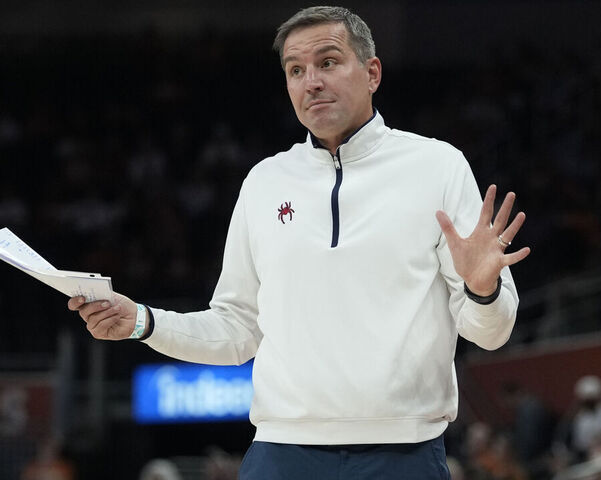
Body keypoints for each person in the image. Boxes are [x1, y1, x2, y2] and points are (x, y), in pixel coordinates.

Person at [68, 6, 530, 479]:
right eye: (296, 70)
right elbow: (237, 329)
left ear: (372, 73)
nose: (311, 81)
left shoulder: (438, 167)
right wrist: (142, 321)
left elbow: (490, 333)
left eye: (328, 62)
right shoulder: (264, 182)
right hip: (281, 454)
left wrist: (482, 291)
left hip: (403, 454)